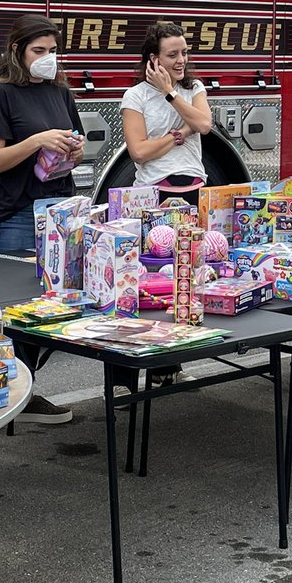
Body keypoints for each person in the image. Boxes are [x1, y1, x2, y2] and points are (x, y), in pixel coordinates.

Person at [0, 13, 83, 425]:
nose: (48, 58)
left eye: (53, 50)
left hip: (58, 212)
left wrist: (72, 151)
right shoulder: (0, 95)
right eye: (39, 51)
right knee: (14, 310)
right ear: (17, 52)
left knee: (52, 307)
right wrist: (37, 140)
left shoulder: (60, 93)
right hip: (17, 215)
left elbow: (75, 144)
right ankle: (15, 397)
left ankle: (25, 391)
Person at [120, 21, 212, 386]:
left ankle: (175, 362)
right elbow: (139, 152)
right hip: (155, 195)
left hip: (195, 190)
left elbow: (204, 124)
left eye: (184, 53)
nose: (181, 60)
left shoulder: (194, 88)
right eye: (172, 54)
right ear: (152, 59)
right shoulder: (136, 97)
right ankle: (150, 364)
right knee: (156, 280)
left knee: (190, 277)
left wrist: (173, 95)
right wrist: (178, 135)